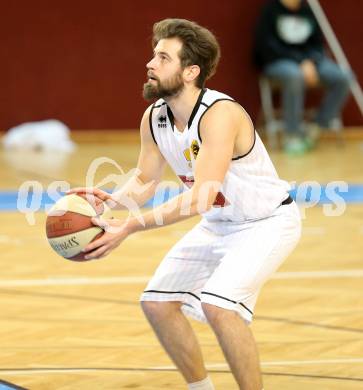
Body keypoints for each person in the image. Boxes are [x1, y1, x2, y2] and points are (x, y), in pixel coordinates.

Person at [69, 18, 301, 390]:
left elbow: (201, 196)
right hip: (219, 224)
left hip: (266, 223)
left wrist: (130, 226)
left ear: (191, 71)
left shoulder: (219, 115)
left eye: (163, 57)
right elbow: (145, 179)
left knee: (219, 306)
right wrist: (109, 203)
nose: (150, 63)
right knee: (157, 305)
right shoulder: (155, 117)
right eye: (153, 55)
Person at [253, 0, 352, 155]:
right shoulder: (270, 11)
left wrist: (310, 61)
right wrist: (299, 62)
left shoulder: (308, 11)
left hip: (311, 62)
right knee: (294, 75)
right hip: (279, 62)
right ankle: (292, 135)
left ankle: (318, 125)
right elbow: (265, 47)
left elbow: (318, 44)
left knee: (344, 77)